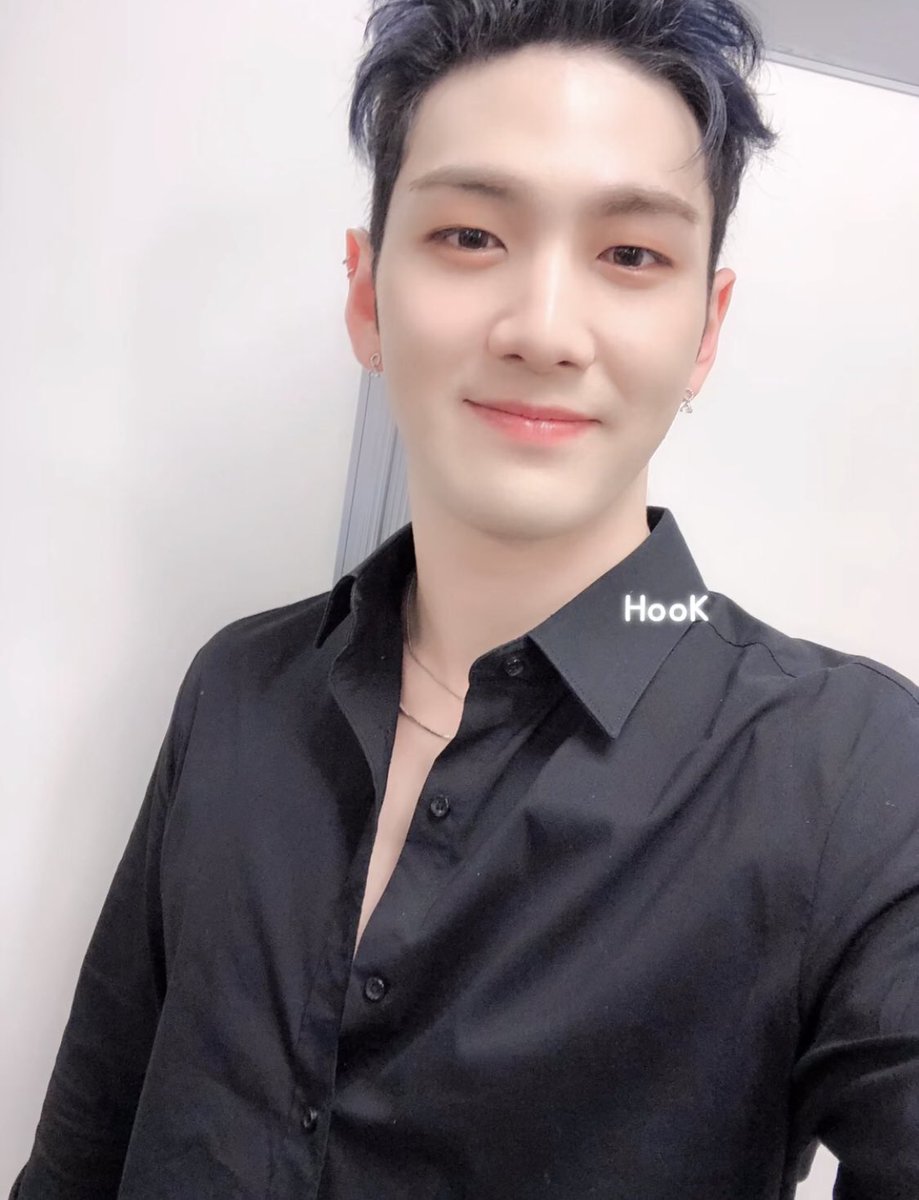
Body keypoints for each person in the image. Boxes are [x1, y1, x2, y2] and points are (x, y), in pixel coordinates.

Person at [12, 0, 919, 1197]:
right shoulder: (236, 690)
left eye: (630, 256)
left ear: (705, 330)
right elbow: (79, 1159)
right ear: (365, 295)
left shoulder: (851, 773)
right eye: (469, 235)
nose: (542, 329)